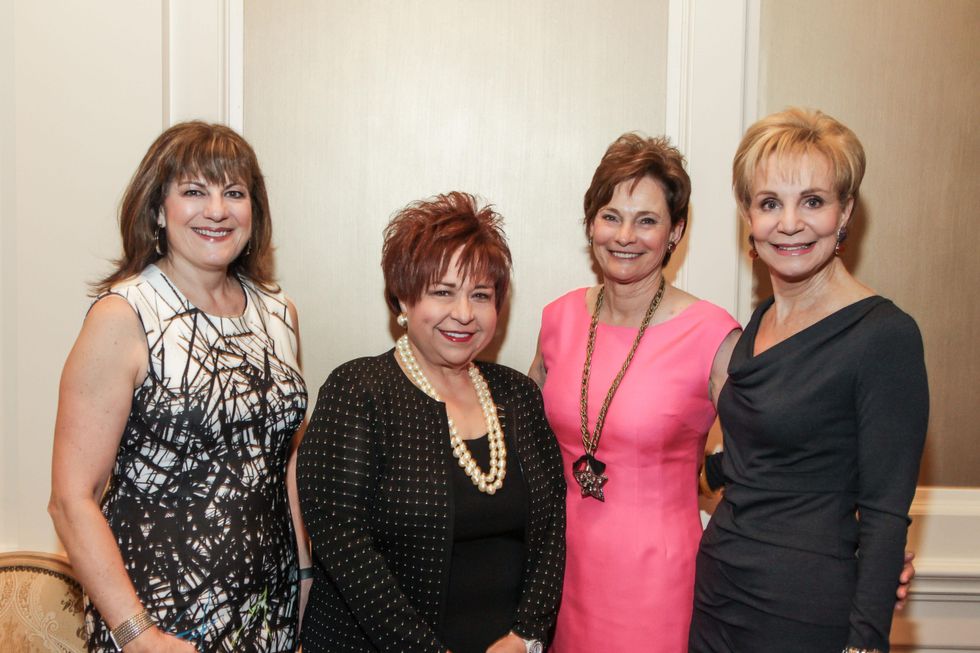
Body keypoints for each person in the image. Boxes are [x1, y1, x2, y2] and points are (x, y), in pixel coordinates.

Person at [49, 122, 311, 652]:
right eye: (194, 191)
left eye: (233, 193)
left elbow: (284, 461)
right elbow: (70, 500)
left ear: (252, 211)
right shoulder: (124, 315)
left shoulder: (279, 312)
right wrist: (136, 634)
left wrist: (305, 579)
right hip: (160, 617)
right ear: (157, 209)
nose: (216, 210)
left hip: (269, 612)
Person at [689, 108, 929, 652]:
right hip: (719, 591)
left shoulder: (884, 336)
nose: (790, 222)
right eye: (770, 202)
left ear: (845, 212)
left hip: (805, 610)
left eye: (813, 201)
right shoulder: (759, 322)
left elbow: (887, 514)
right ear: (749, 216)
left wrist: (865, 643)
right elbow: (749, 458)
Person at [296, 192, 565, 653]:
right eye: (443, 291)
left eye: (480, 295)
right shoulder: (358, 391)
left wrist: (525, 637)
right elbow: (345, 546)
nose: (464, 313)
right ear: (403, 297)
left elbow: (552, 531)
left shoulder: (517, 395)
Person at [528, 133, 742, 651]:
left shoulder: (713, 334)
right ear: (591, 222)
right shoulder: (557, 319)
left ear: (676, 231)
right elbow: (522, 444)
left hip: (660, 582)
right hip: (558, 571)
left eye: (647, 220)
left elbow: (768, 459)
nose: (625, 235)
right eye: (610, 215)